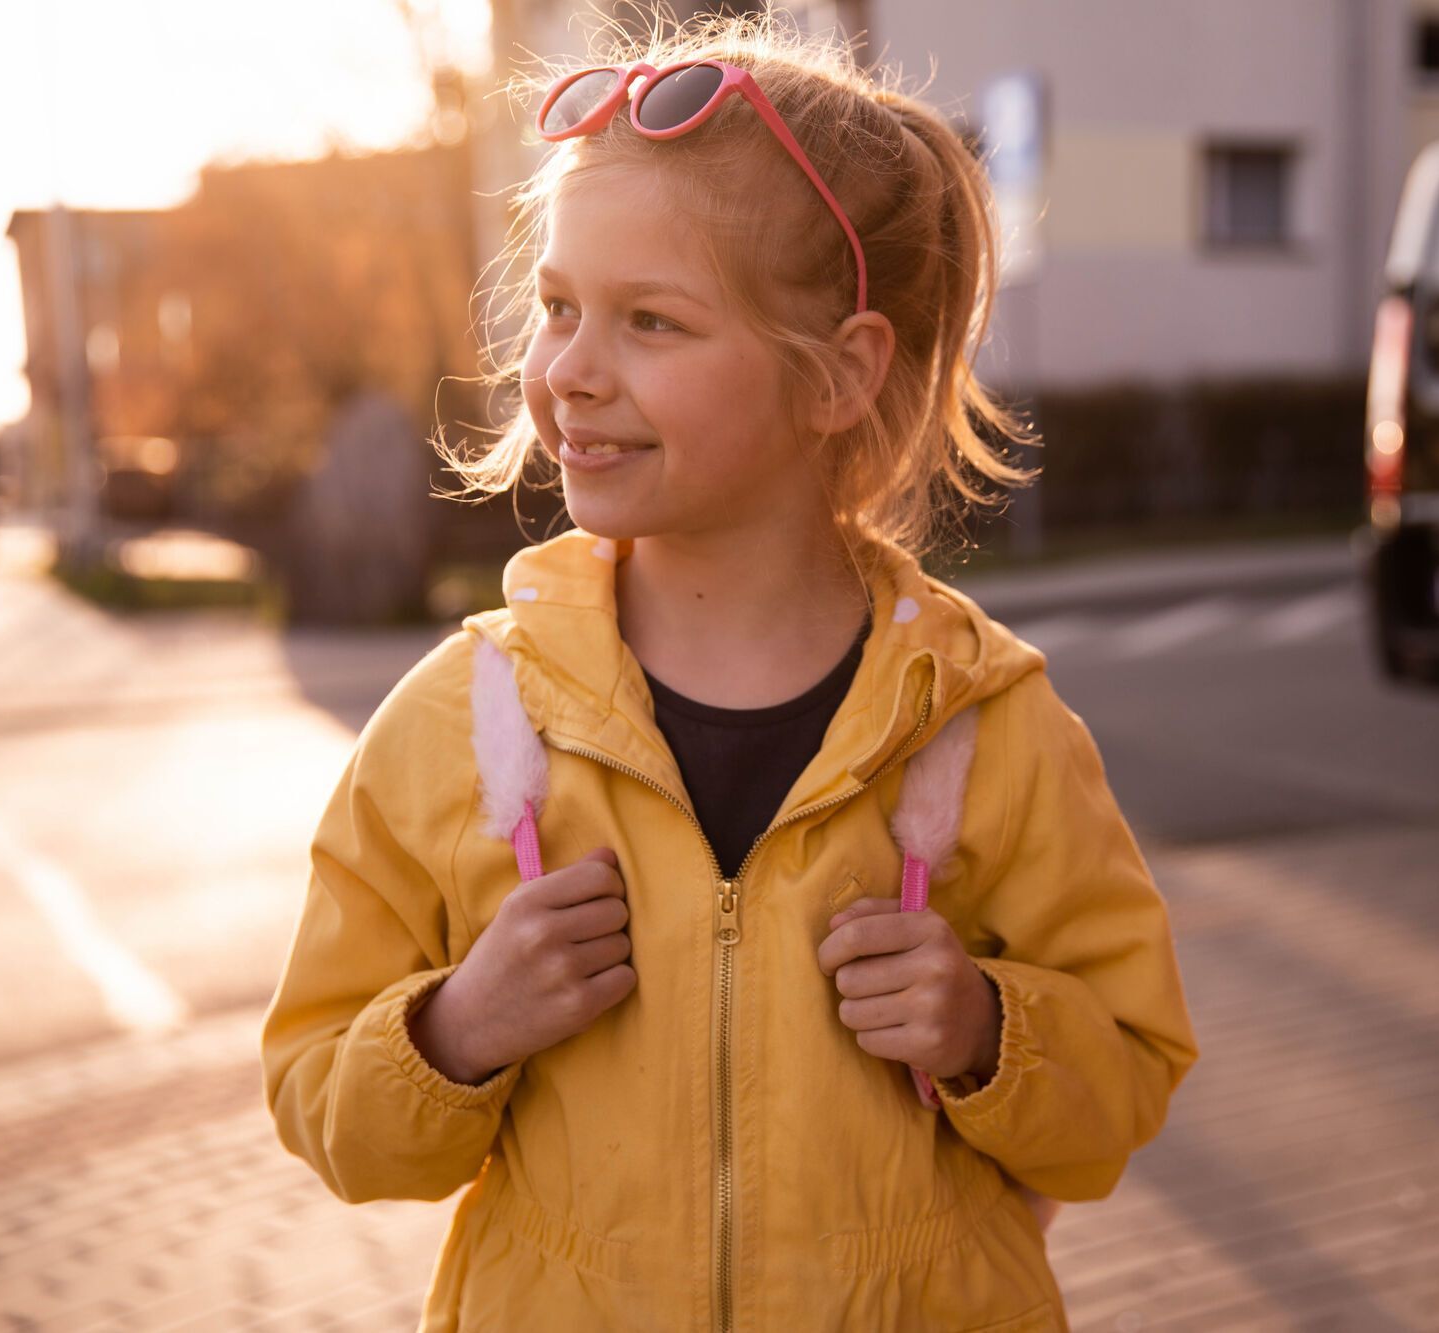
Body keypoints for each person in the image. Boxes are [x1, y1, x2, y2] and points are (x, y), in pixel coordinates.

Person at [258, 12, 1197, 1330]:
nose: (570, 373)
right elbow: (322, 1102)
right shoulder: (463, 724)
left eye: (651, 321)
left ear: (840, 376)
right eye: (559, 309)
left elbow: (1120, 1095)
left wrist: (987, 1030)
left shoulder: (986, 725)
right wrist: (459, 1027)